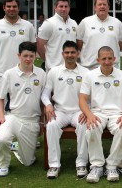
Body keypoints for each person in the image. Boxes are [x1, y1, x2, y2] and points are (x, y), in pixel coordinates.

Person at [0, 0, 36, 152]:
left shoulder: (27, 26)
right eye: (8, 6)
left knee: (26, 103)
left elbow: (32, 47)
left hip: (23, 72)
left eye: (14, 6)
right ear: (4, 8)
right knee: (0, 103)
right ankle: (0, 137)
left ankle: (29, 136)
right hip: (1, 71)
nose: (11, 9)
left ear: (18, 7)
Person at [79, 46, 122, 183]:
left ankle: (111, 166)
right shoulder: (90, 76)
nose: (107, 61)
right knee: (91, 128)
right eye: (104, 59)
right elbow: (82, 99)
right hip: (98, 113)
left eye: (110, 58)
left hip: (117, 114)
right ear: (98, 60)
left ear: (115, 59)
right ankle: (96, 166)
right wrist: (89, 115)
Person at [0, 42, 46, 177]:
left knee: (28, 162)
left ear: (35, 56)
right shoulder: (9, 74)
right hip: (13, 117)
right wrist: (1, 117)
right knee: (1, 139)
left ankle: (15, 146)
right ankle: (3, 165)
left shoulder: (41, 74)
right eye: (25, 56)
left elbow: (43, 100)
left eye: (31, 56)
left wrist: (41, 121)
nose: (28, 59)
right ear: (19, 56)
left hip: (32, 121)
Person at [41, 41, 89, 179]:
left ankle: (81, 163)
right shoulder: (54, 72)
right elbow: (45, 93)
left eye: (73, 52)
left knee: (83, 125)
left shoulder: (85, 72)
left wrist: (87, 112)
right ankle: (54, 165)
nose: (70, 55)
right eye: (67, 53)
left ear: (78, 54)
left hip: (78, 112)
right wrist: (48, 105)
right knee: (51, 125)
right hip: (59, 111)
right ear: (62, 54)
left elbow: (90, 96)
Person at [76, 0, 122, 70]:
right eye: (99, 4)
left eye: (104, 4)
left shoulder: (117, 23)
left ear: (108, 7)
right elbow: (79, 43)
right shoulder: (85, 22)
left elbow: (121, 44)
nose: (102, 6)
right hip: (89, 67)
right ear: (95, 7)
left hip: (111, 67)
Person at [37, 0, 77, 72]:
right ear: (55, 7)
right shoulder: (49, 23)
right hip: (54, 68)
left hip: (71, 67)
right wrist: (48, 60)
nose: (63, 9)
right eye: (61, 6)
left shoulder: (74, 23)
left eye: (66, 6)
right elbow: (39, 45)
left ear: (69, 8)